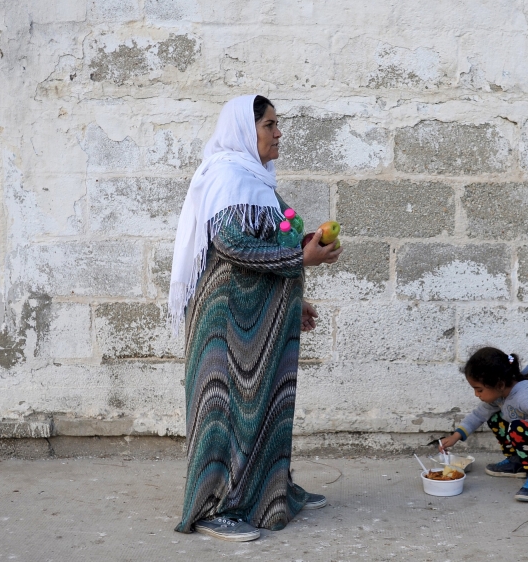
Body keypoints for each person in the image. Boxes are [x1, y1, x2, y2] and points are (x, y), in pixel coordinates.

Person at [168, 94, 342, 541]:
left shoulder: (257, 181)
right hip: (227, 317)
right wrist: (300, 258)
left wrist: (295, 285)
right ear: (247, 131)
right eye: (269, 124)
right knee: (224, 409)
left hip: (261, 314)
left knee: (264, 405)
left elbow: (264, 241)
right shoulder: (227, 176)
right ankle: (211, 509)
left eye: (276, 123)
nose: (278, 132)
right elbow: (231, 244)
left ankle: (269, 491)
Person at [438, 346, 528, 502]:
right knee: (495, 417)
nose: (477, 395)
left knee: (518, 428)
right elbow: (479, 414)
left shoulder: (526, 396)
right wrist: (456, 436)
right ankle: (517, 462)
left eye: (479, 390)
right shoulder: (501, 396)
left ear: (500, 384)